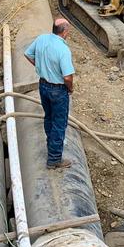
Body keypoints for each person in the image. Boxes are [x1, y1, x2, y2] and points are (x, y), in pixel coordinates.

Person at [25, 18, 75, 169]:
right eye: (68, 31)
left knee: (49, 117)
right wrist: (70, 88)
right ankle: (54, 159)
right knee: (59, 124)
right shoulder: (63, 49)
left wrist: (40, 66)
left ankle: (50, 144)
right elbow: (67, 77)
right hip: (58, 90)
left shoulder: (41, 39)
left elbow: (28, 54)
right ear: (64, 31)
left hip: (43, 86)